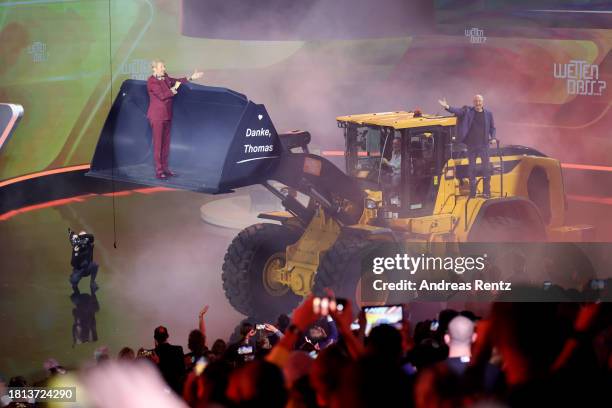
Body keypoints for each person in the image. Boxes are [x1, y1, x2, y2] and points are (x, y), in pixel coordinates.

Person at [146, 59, 203, 179]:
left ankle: (165, 168)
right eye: (162, 67)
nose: (164, 69)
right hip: (157, 116)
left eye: (164, 67)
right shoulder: (151, 81)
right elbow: (163, 95)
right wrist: (174, 88)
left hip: (167, 115)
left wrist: (191, 78)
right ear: (154, 68)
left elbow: (176, 81)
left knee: (166, 144)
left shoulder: (165, 77)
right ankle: (159, 170)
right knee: (158, 144)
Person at [438, 95, 496, 198]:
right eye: (476, 101)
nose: (478, 103)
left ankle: (486, 192)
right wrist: (447, 106)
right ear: (473, 102)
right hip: (472, 146)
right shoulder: (468, 111)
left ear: (483, 102)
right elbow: (458, 111)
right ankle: (472, 192)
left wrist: (493, 138)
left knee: (486, 169)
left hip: (484, 146)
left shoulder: (488, 114)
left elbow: (492, 128)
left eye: (479, 101)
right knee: (472, 169)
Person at [153, 326, 185, 395]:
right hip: (176, 392)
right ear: (167, 336)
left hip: (159, 392)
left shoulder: (152, 354)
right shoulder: (178, 349)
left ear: (155, 338)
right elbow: (182, 371)